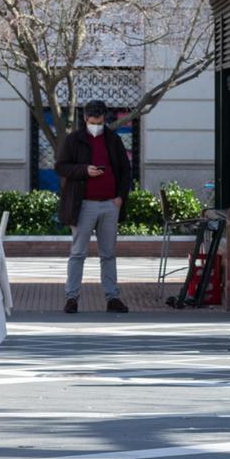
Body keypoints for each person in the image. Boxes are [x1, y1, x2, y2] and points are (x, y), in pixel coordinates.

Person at [55, 99, 131, 314]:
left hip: (109, 204)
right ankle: (72, 298)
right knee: (78, 253)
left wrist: (120, 198)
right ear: (85, 119)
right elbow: (61, 167)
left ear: (104, 119)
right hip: (84, 205)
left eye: (99, 121)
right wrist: (84, 170)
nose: (95, 125)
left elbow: (126, 171)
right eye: (92, 121)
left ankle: (112, 297)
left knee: (108, 254)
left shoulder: (113, 139)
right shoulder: (73, 140)